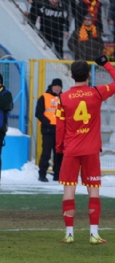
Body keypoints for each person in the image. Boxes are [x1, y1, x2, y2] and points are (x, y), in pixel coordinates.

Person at [56, 55, 115, 244]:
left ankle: (69, 234)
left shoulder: (63, 98)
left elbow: (60, 127)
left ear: (71, 76)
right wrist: (105, 63)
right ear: (89, 75)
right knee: (94, 191)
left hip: (71, 150)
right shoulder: (97, 92)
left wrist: (59, 147)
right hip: (91, 150)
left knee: (69, 190)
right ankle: (94, 234)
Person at [35, 78, 63, 182]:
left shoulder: (63, 97)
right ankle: (42, 174)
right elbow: (38, 113)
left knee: (59, 154)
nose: (57, 88)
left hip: (60, 129)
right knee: (46, 153)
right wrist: (47, 122)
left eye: (59, 86)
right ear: (51, 86)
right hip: (48, 129)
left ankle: (58, 174)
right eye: (55, 86)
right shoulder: (44, 97)